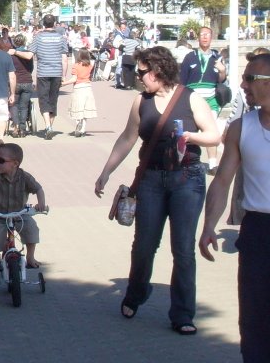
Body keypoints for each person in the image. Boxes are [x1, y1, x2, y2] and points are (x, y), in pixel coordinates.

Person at [93, 46, 221, 335]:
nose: (138, 77)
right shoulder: (141, 101)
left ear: (158, 71)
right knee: (144, 246)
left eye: (141, 72)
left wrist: (191, 137)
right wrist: (106, 171)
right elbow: (127, 138)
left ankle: (183, 314)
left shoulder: (192, 98)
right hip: (151, 180)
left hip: (187, 179)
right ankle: (136, 294)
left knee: (183, 250)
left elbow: (214, 135)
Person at [199, 53, 270, 361]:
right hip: (258, 231)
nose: (242, 84)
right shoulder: (241, 128)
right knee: (257, 322)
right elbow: (221, 181)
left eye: (249, 79)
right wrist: (207, 227)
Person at [0, 141, 47, 276]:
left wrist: (41, 204)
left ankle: (30, 257)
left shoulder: (25, 177)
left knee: (32, 230)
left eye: (1, 160)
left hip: (20, 214)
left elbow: (38, 189)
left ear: (15, 163)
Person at [179, 26, 227, 173]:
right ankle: (184, 160)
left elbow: (221, 80)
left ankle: (212, 164)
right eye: (202, 35)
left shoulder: (217, 57)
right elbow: (182, 81)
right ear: (198, 38)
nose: (205, 37)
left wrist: (223, 70)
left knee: (210, 131)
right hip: (192, 101)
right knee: (188, 133)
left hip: (211, 101)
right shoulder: (190, 57)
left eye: (207, 35)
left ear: (211, 38)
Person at [22, 14, 69, 139]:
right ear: (54, 24)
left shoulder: (38, 38)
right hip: (57, 73)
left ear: (43, 24)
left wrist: (15, 52)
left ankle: (48, 126)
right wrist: (64, 75)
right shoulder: (61, 38)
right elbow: (64, 59)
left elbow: (29, 55)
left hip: (43, 73)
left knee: (43, 100)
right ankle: (50, 127)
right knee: (53, 100)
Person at [63, 48, 97, 137]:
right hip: (88, 87)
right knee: (85, 109)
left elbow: (74, 79)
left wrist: (63, 84)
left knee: (77, 108)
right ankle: (83, 129)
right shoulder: (90, 65)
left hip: (78, 88)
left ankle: (78, 123)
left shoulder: (76, 66)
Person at [7, 33, 35, 138]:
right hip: (27, 81)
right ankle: (23, 129)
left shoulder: (11, 55)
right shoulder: (28, 54)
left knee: (14, 104)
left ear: (14, 42)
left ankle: (15, 127)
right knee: (24, 106)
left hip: (15, 82)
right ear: (24, 42)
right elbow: (31, 69)